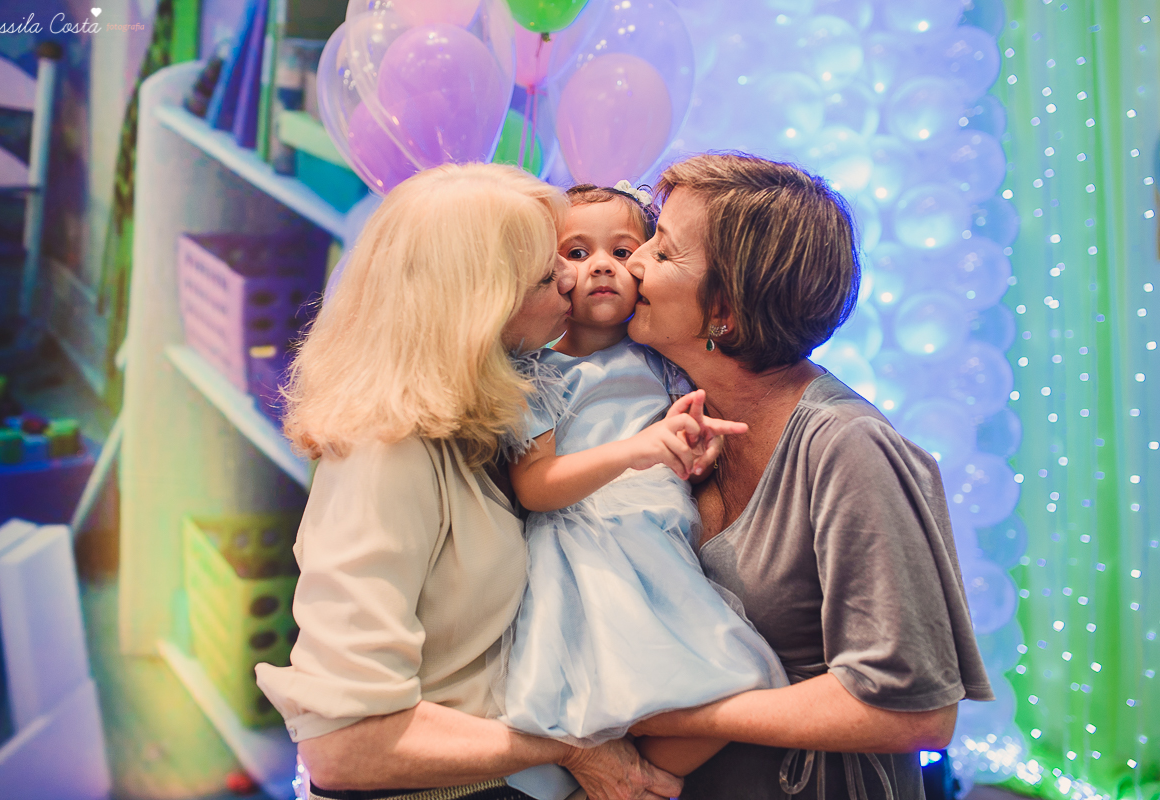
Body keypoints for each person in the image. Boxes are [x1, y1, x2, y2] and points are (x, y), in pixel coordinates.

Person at [254, 163, 683, 800]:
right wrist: (570, 748)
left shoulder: (489, 413)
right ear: (479, 307)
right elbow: (344, 748)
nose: (572, 278)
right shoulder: (386, 457)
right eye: (547, 273)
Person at [621, 154, 994, 800]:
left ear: (726, 313)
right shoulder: (669, 414)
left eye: (663, 251)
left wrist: (681, 714)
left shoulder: (850, 449)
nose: (634, 263)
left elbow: (919, 713)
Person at [494, 184, 788, 777]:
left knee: (739, 678)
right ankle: (621, 781)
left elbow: (684, 442)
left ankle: (650, 780)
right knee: (608, 690)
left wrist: (693, 453)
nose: (601, 264)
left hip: (659, 529)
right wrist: (635, 451)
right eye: (576, 254)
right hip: (589, 538)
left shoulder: (661, 357)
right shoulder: (535, 372)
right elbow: (537, 486)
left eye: (624, 250)